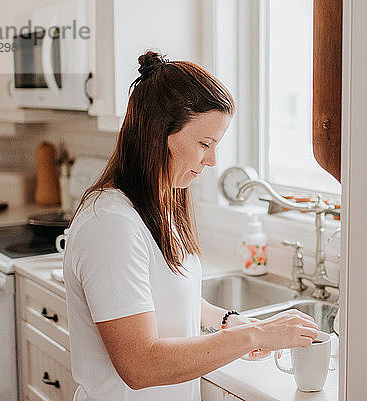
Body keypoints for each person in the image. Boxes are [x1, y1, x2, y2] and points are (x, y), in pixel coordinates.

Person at [63, 51, 319, 401]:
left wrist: (232, 321)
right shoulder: (109, 224)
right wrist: (256, 337)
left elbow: (168, 296)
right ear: (161, 135)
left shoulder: (160, 204)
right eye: (204, 144)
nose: (212, 160)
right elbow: (139, 366)